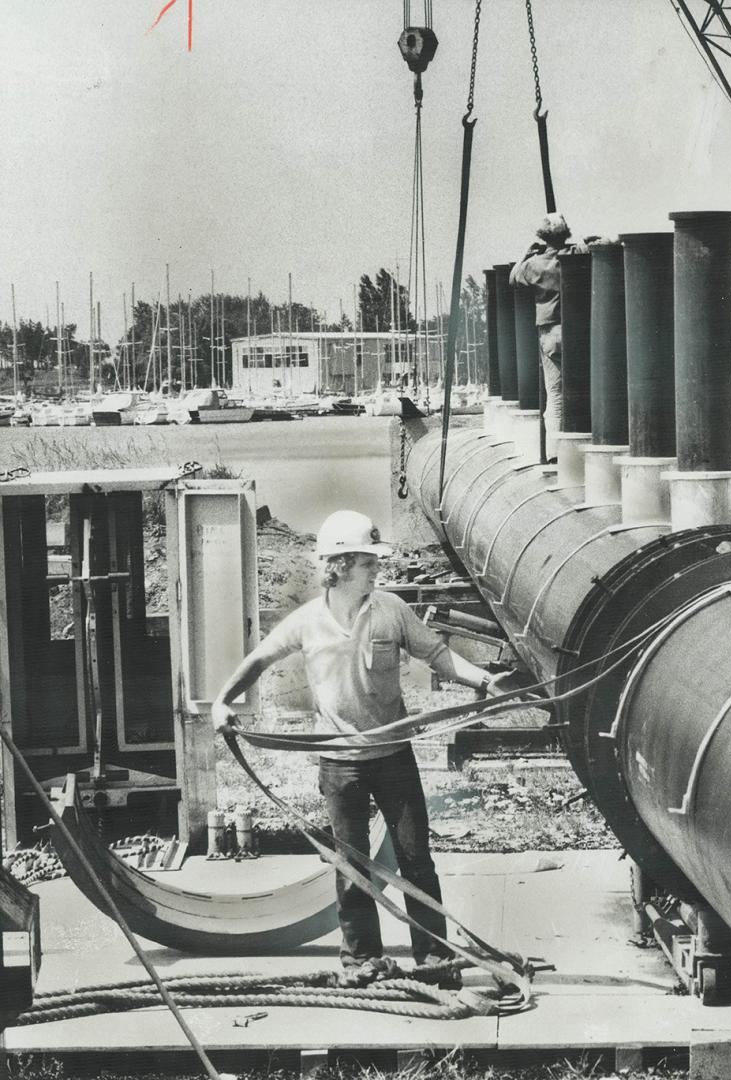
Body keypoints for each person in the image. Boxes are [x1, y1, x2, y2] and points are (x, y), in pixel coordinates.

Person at [210, 510, 506, 988]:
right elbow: (261, 658)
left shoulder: (390, 610)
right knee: (351, 868)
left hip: (393, 757)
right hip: (340, 767)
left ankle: (434, 961)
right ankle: (362, 962)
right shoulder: (307, 623)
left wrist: (484, 679)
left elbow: (437, 654)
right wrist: (224, 702)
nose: (377, 569)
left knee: (416, 859)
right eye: (369, 561)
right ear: (341, 564)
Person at [510, 213, 573, 456]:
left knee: (555, 396)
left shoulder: (534, 265)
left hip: (549, 333)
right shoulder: (572, 256)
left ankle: (556, 453)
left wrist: (527, 254)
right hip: (575, 332)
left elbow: (513, 277)